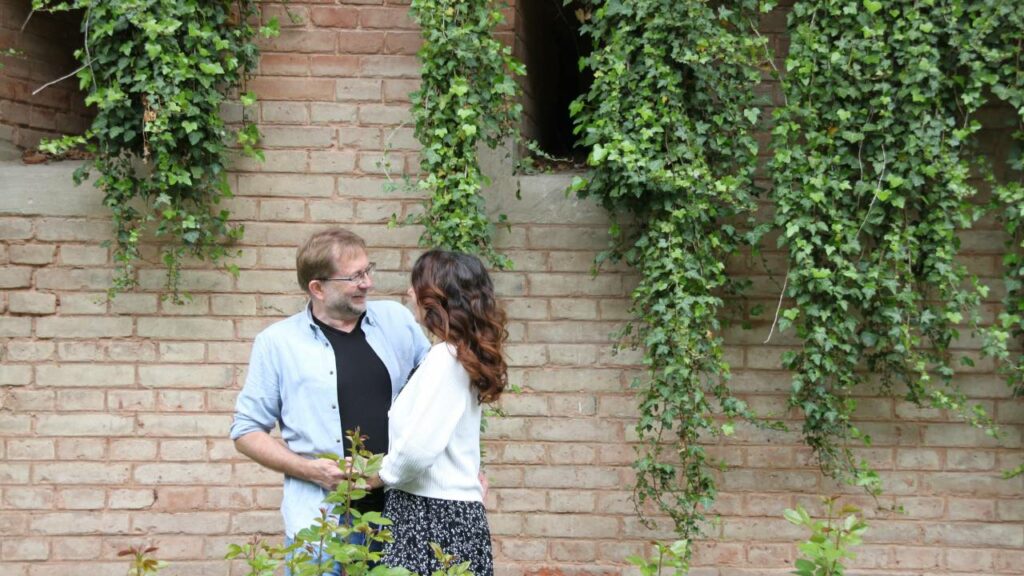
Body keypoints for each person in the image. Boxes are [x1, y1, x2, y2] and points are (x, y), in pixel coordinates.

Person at [229, 227, 430, 573]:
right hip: (324, 521)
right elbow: (246, 431)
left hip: (402, 510)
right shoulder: (276, 343)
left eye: (368, 270)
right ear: (317, 288)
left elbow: (435, 398)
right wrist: (309, 470)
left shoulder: (397, 320)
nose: (367, 283)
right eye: (354, 277)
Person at [364, 249, 508, 576]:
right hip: (449, 515)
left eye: (416, 286)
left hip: (429, 515)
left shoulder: (446, 358)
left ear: (436, 299)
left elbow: (418, 448)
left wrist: (373, 477)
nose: (409, 292)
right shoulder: (457, 356)